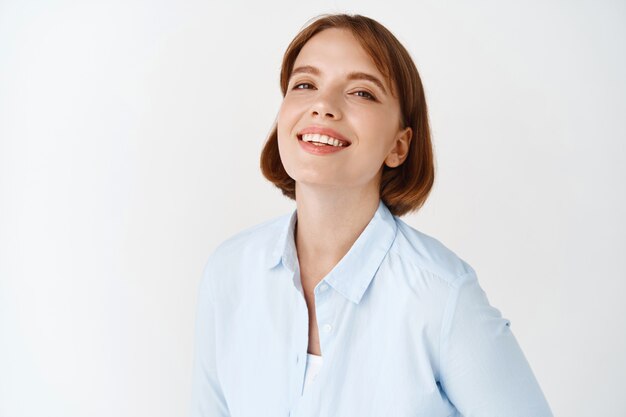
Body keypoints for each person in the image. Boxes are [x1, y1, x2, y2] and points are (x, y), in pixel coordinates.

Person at [190, 13, 553, 417]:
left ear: (399, 146)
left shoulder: (443, 296)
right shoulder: (229, 272)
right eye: (305, 84)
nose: (322, 106)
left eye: (361, 92)